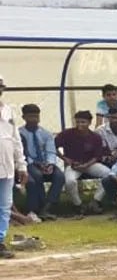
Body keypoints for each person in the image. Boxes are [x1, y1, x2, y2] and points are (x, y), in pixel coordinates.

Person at [55, 111, 112, 212]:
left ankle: (96, 201)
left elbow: (97, 156)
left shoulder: (95, 137)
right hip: (73, 166)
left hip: (90, 164)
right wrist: (65, 159)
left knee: (110, 175)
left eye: (83, 122)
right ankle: (78, 205)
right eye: (77, 122)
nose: (80, 124)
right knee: (70, 181)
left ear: (89, 122)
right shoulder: (67, 134)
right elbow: (52, 146)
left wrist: (86, 165)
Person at [18, 105, 63, 221]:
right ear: (23, 117)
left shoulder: (46, 133)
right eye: (30, 116)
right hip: (29, 163)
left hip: (45, 162)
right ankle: (39, 207)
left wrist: (50, 164)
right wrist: (36, 164)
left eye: (36, 116)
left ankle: (48, 206)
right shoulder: (19, 134)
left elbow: (51, 151)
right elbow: (22, 153)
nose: (34, 119)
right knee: (37, 175)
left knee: (59, 176)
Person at [0, 96, 24, 259]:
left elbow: (16, 141)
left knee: (4, 206)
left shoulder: (8, 110)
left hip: (7, 166)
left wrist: (21, 165)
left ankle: (0, 241)